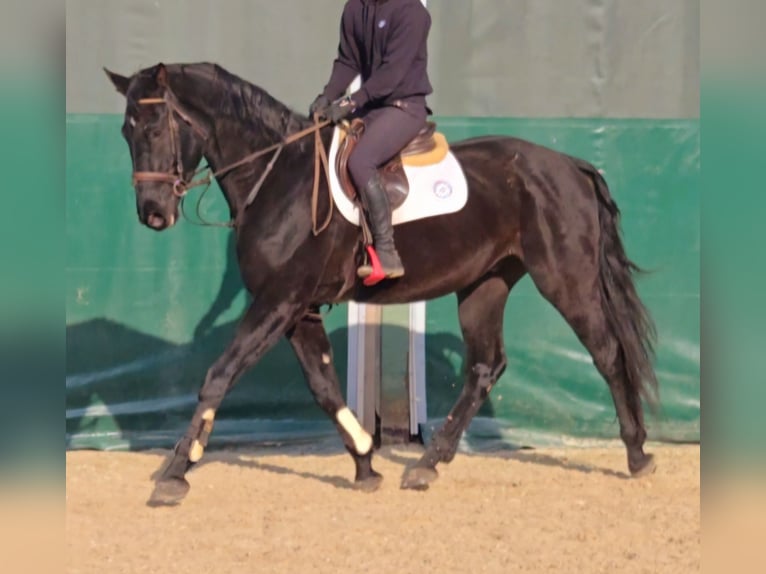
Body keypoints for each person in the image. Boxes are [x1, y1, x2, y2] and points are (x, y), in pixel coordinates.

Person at [310, 0, 433, 279]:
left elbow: (392, 74)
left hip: (404, 108)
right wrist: (327, 96)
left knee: (361, 160)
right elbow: (347, 60)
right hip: (370, 107)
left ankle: (387, 252)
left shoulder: (412, 13)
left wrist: (351, 102)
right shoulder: (355, 8)